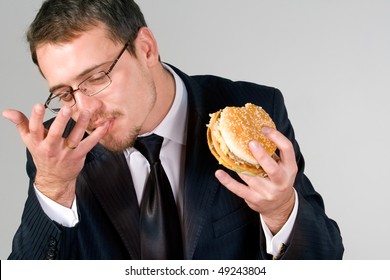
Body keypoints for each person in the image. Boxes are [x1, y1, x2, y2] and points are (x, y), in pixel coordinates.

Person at [2, 0, 343, 260]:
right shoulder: (56, 151)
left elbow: (327, 260)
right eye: (64, 93)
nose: (85, 109)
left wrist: (281, 210)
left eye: (95, 78)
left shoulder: (252, 110)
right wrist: (52, 187)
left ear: (146, 49)